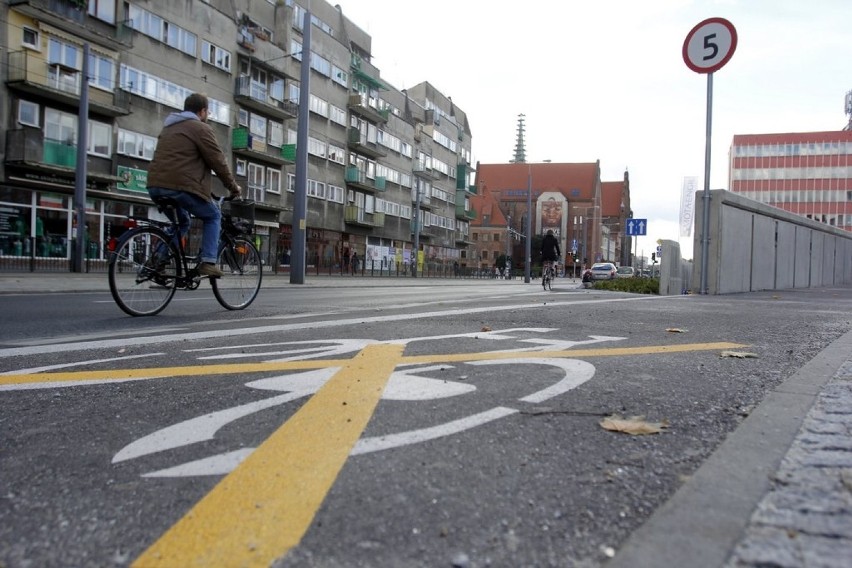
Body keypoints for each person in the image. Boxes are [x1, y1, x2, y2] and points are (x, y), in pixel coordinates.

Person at [147, 93, 242, 278]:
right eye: (207, 111)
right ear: (203, 111)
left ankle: (157, 259)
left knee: (183, 222)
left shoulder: (169, 128)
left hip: (155, 185)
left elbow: (182, 161)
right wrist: (233, 187)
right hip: (179, 187)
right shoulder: (200, 128)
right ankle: (207, 261)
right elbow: (217, 161)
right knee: (214, 215)